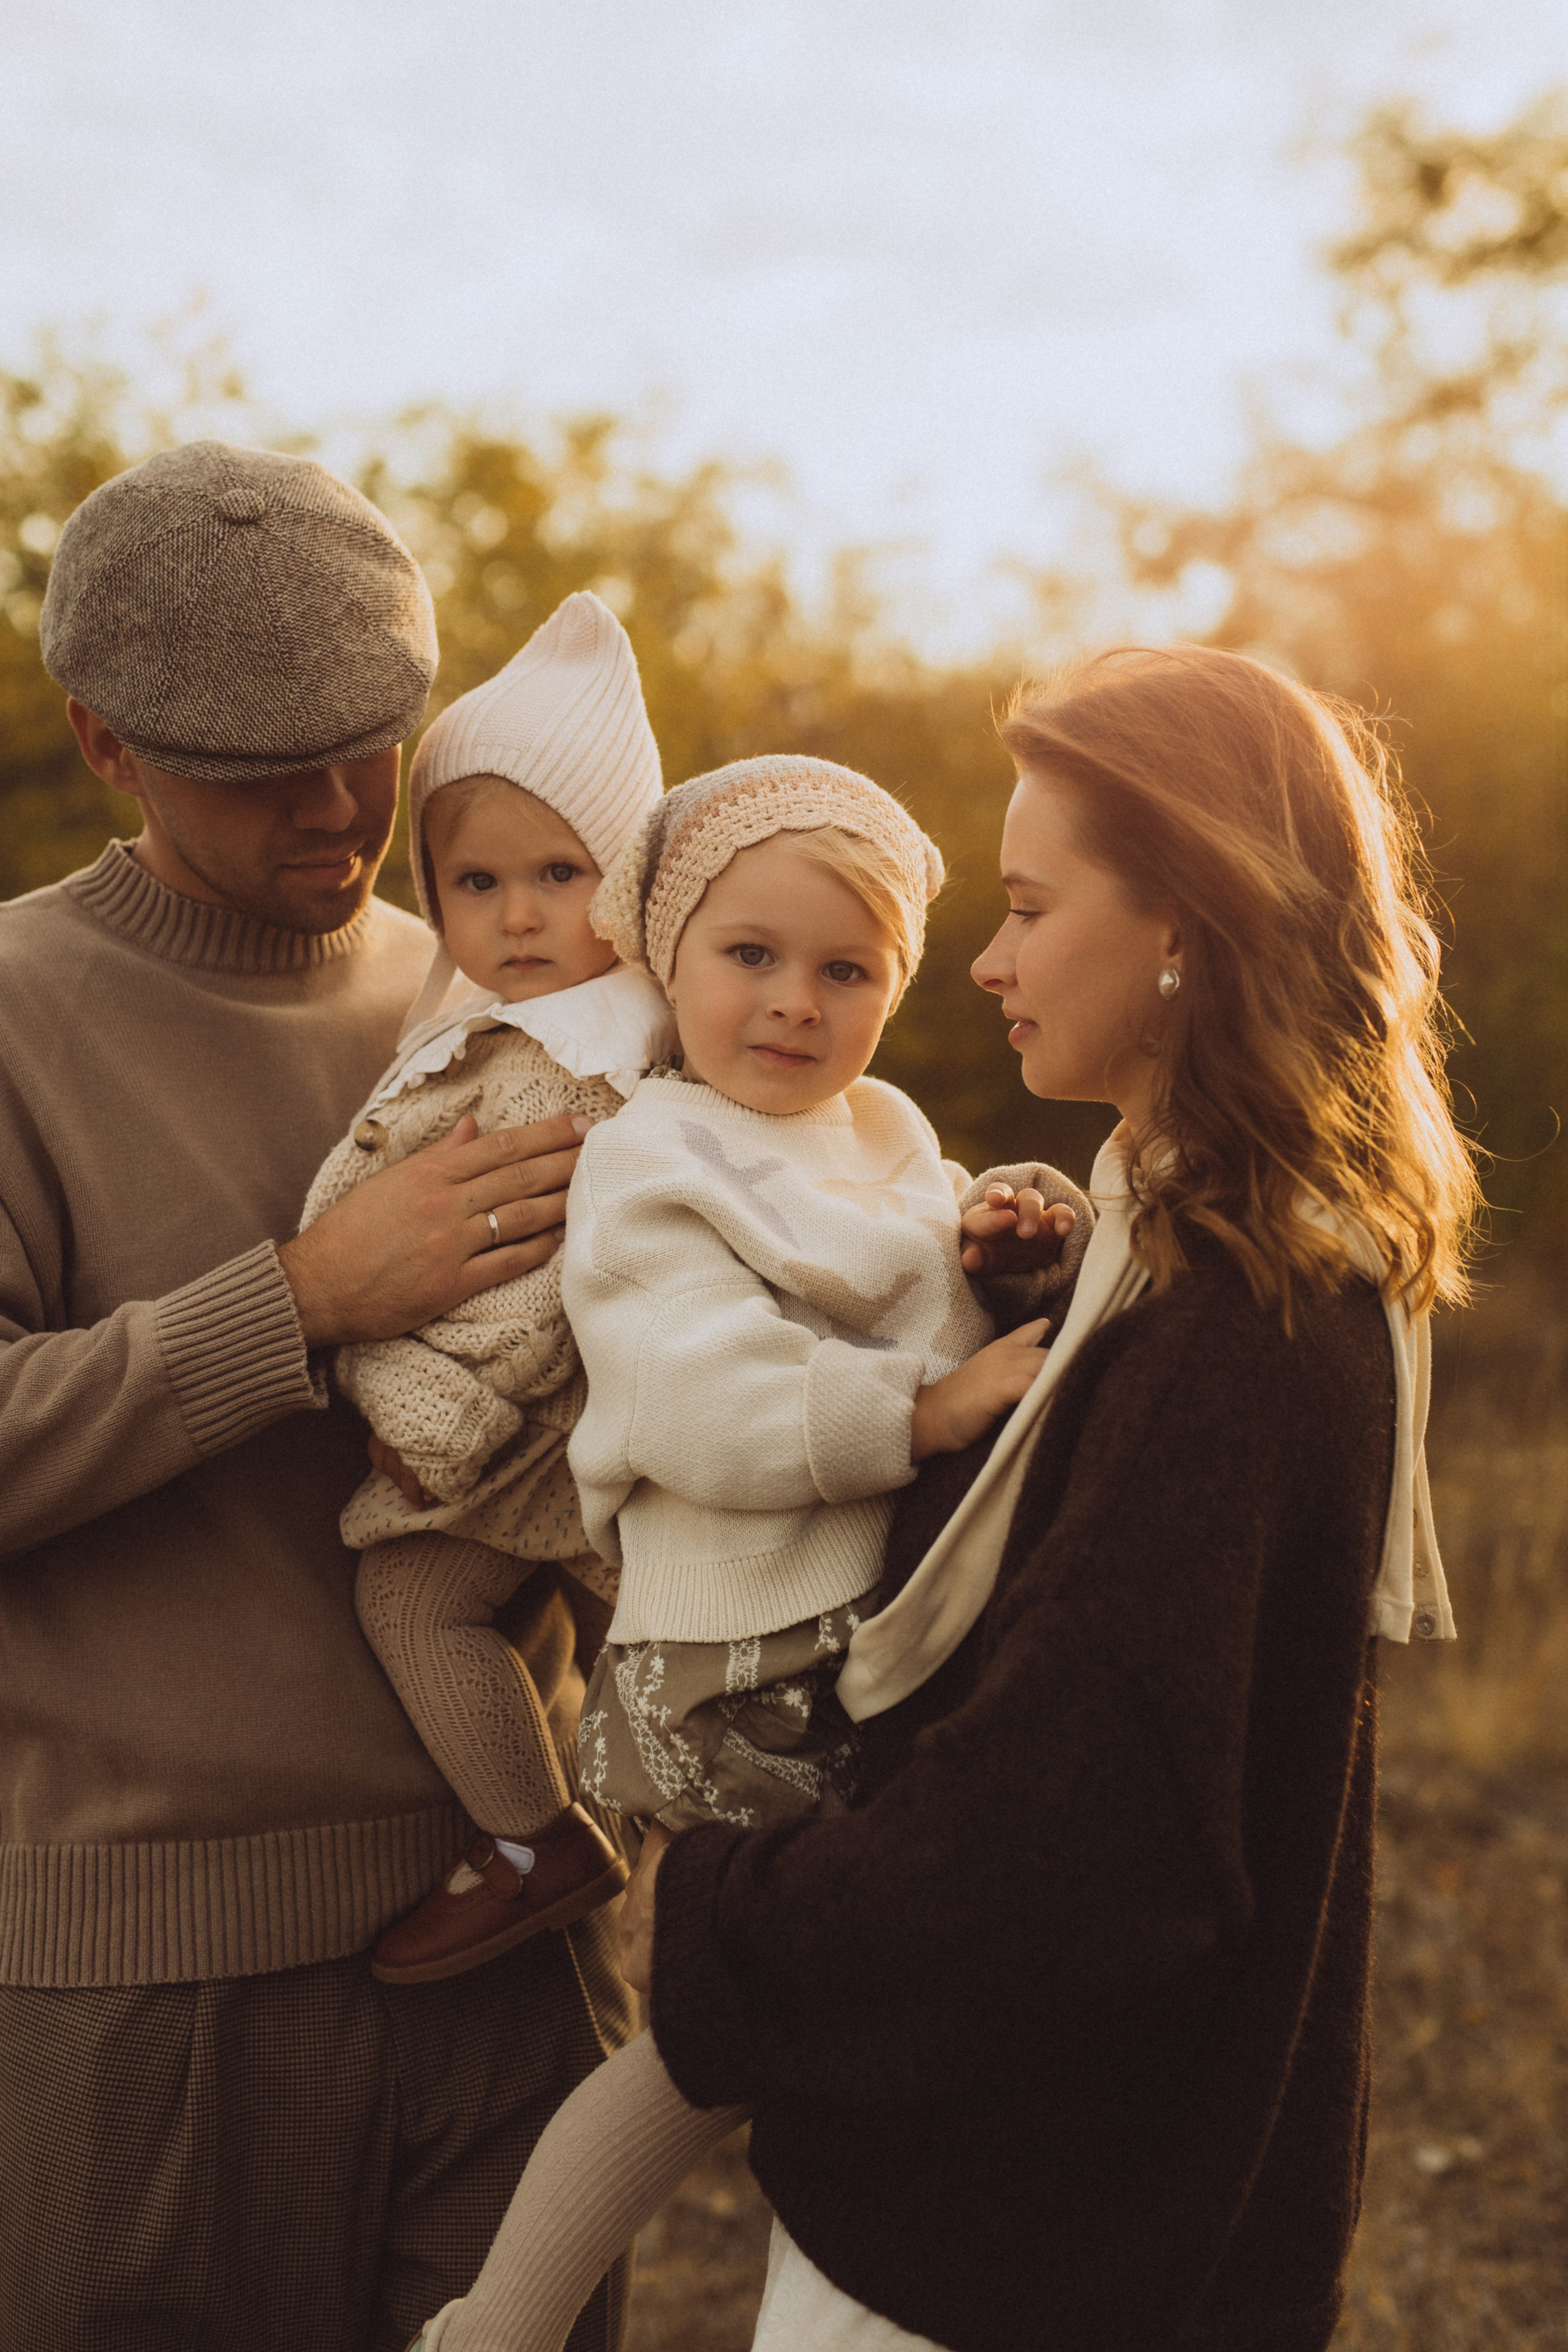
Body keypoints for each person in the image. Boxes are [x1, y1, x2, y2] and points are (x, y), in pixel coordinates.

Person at [611, 647, 1474, 2351]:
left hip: (1021, 2248)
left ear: (1183, 924)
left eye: (1026, 904)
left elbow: (1066, 1848)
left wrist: (721, 1896)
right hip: (1076, 2215)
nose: (990, 962)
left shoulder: (1226, 1325)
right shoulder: (1182, 1265)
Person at [0, 440, 634, 2352]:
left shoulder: (509, 985)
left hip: (510, 1945)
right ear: (104, 740)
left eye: (373, 734)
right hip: (147, 1999)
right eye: (262, 760)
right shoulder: (17, 1010)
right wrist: (296, 1300)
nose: (348, 799)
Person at [404, 753, 1088, 2352]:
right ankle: (498, 2322)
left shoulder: (887, 1128)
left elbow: (918, 1273)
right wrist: (919, 1416)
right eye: (749, 957)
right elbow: (691, 1392)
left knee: (832, 1998)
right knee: (720, 2029)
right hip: (724, 1660)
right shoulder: (655, 1154)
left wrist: (996, 1240)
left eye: (844, 970)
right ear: (669, 956)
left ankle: (875, 2261)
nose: (792, 1003)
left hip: (859, 1637)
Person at [301, 590, 675, 1984]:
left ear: (629, 881)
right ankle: (624, 1834)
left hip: (531, 1434)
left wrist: (422, 1416)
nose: (517, 917)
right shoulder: (496, 1024)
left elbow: (535, 1276)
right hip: (543, 1442)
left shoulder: (579, 1061)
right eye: (476, 884)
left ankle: (540, 1838)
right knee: (675, 1653)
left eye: (561, 876)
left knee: (411, 1599)